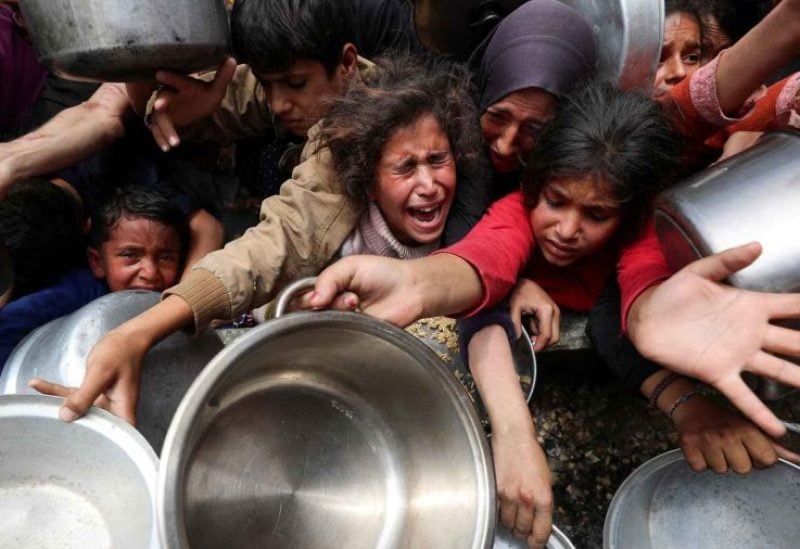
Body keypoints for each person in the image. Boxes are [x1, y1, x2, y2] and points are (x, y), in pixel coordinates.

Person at [33, 56, 483, 421]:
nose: (428, 185)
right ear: (365, 181)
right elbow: (271, 252)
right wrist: (138, 332)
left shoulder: (472, 217)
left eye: (437, 161)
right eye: (404, 168)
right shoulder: (337, 234)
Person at [1, 184, 188, 367]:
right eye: (130, 255)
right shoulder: (72, 295)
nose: (150, 273)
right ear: (97, 262)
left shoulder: (182, 294)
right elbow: (9, 325)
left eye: (166, 257)